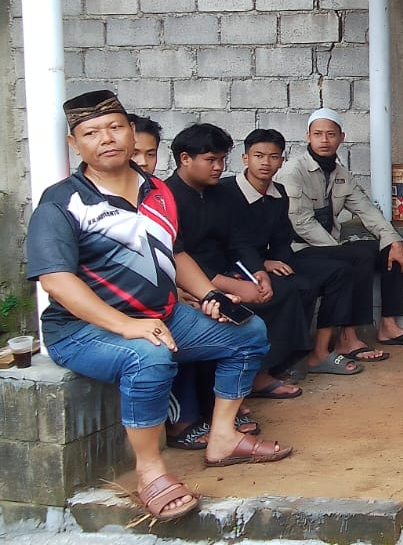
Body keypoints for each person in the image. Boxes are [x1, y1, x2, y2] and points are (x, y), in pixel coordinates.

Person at [27, 91, 291, 523]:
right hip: (81, 330)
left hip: (163, 315)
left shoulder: (158, 191)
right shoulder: (63, 201)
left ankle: (223, 438)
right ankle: (150, 472)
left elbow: (176, 252)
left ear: (131, 133)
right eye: (91, 133)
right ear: (75, 145)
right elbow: (56, 279)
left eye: (115, 128)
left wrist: (208, 294)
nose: (106, 139)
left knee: (247, 332)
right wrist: (126, 325)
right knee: (148, 356)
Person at [165, 123, 311, 399]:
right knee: (238, 308)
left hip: (227, 269)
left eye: (222, 160)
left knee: (282, 290)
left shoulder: (220, 193)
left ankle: (262, 372)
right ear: (185, 159)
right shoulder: (167, 197)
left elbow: (237, 240)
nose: (219, 167)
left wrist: (257, 272)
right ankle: (234, 388)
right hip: (189, 281)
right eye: (211, 160)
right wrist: (226, 284)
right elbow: (176, 255)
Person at [277, 108, 403, 363]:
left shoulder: (340, 174)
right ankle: (347, 337)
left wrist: (393, 240)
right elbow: (301, 223)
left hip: (327, 246)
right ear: (308, 137)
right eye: (318, 134)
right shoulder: (294, 172)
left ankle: (389, 325)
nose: (324, 140)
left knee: (386, 249)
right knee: (356, 256)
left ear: (341, 137)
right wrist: (339, 249)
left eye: (331, 134)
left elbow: (367, 210)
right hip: (299, 249)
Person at [218, 129, 364, 377]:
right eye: (258, 156)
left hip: (270, 261)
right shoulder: (226, 192)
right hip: (236, 266)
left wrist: (279, 262)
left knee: (339, 271)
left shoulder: (279, 193)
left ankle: (319, 353)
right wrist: (262, 264)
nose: (266, 163)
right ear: (245, 159)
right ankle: (282, 361)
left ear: (281, 161)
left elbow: (281, 239)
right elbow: (229, 242)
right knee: (299, 287)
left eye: (273, 157)